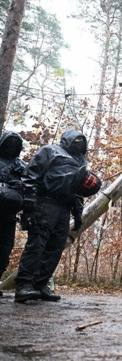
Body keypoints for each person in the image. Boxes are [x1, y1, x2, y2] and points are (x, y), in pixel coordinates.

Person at [14, 130, 89, 303]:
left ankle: (40, 285)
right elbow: (31, 173)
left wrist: (78, 213)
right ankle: (24, 285)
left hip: (65, 208)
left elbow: (78, 190)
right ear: (66, 139)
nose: (78, 142)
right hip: (45, 203)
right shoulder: (49, 151)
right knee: (37, 244)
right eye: (75, 139)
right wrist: (30, 199)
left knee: (55, 247)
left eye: (81, 140)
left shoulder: (81, 161)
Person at [0, 131, 27, 296]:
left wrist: (21, 185)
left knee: (4, 248)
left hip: (9, 214)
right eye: (8, 142)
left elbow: (31, 184)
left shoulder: (20, 165)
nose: (11, 146)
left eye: (14, 143)